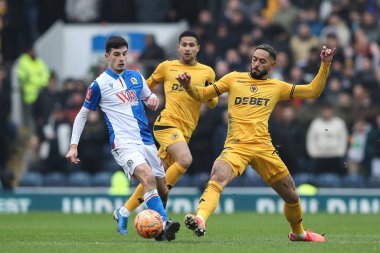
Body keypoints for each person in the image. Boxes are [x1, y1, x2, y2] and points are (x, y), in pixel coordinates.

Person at [176, 44, 336, 242]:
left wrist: (325, 65)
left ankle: (298, 233)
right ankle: (200, 219)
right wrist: (188, 86)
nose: (256, 64)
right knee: (217, 176)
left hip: (263, 148)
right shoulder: (233, 78)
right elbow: (203, 94)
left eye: (262, 61)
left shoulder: (277, 87)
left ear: (272, 65)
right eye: (254, 59)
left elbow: (312, 91)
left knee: (292, 196)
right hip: (236, 146)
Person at [65, 36, 179, 241]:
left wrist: (153, 99)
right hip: (123, 143)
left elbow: (148, 97)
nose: (121, 59)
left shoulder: (136, 77)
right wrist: (73, 146)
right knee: (147, 177)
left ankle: (127, 214)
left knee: (163, 188)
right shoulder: (99, 84)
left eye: (124, 54)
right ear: (107, 56)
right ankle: (164, 222)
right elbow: (82, 114)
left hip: (146, 141)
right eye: (116, 55)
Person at [116, 30, 218, 234]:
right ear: (178, 47)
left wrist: (195, 90)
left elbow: (213, 102)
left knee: (157, 184)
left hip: (185, 132)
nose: (187, 48)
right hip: (166, 124)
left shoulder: (207, 72)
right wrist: (145, 99)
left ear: (198, 48)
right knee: (185, 159)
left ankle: (126, 212)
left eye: (192, 45)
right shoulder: (167, 67)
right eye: (184, 45)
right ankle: (158, 207)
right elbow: (144, 88)